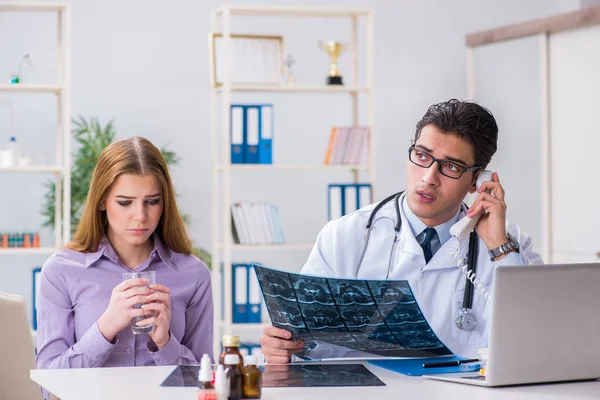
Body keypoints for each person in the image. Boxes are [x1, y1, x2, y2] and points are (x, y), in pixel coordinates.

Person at [259, 99, 543, 362]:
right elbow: (312, 344)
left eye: (451, 167)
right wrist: (288, 346)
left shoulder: (509, 245)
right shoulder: (345, 237)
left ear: (476, 181)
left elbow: (538, 340)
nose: (429, 177)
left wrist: (499, 247)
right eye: (422, 156)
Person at [36, 137, 213, 371]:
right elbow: (49, 384)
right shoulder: (61, 270)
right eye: (125, 202)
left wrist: (165, 343)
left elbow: (206, 381)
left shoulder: (193, 274)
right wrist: (106, 327)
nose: (140, 215)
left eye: (152, 201)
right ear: (101, 201)